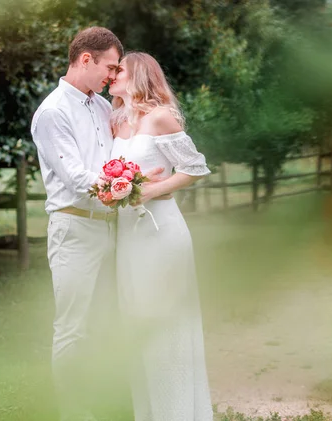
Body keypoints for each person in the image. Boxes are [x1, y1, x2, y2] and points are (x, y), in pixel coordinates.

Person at [31, 28, 164, 421]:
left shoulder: (104, 108)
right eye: (109, 66)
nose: (112, 75)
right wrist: (134, 185)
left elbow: (121, 153)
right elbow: (75, 176)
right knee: (73, 327)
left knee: (109, 319)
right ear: (85, 59)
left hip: (115, 227)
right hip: (74, 229)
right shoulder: (52, 112)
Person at [108, 51, 214, 421]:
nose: (111, 75)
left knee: (167, 320)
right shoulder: (117, 121)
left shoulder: (161, 117)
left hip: (161, 231)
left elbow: (195, 168)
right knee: (137, 320)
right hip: (128, 235)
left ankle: (180, 412)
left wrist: (152, 190)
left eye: (118, 70)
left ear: (138, 74)